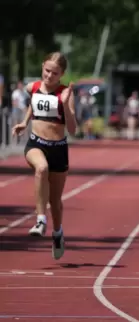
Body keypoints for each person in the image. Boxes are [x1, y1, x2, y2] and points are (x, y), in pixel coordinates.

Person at [11, 52, 77, 260]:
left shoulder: (65, 93)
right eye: (47, 71)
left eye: (55, 73)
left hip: (58, 148)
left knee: (55, 201)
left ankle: (57, 233)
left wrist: (65, 105)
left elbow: (73, 129)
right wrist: (24, 122)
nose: (49, 76)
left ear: (62, 74)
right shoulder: (34, 87)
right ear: (42, 67)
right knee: (41, 168)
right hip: (36, 144)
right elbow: (34, 102)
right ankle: (40, 220)